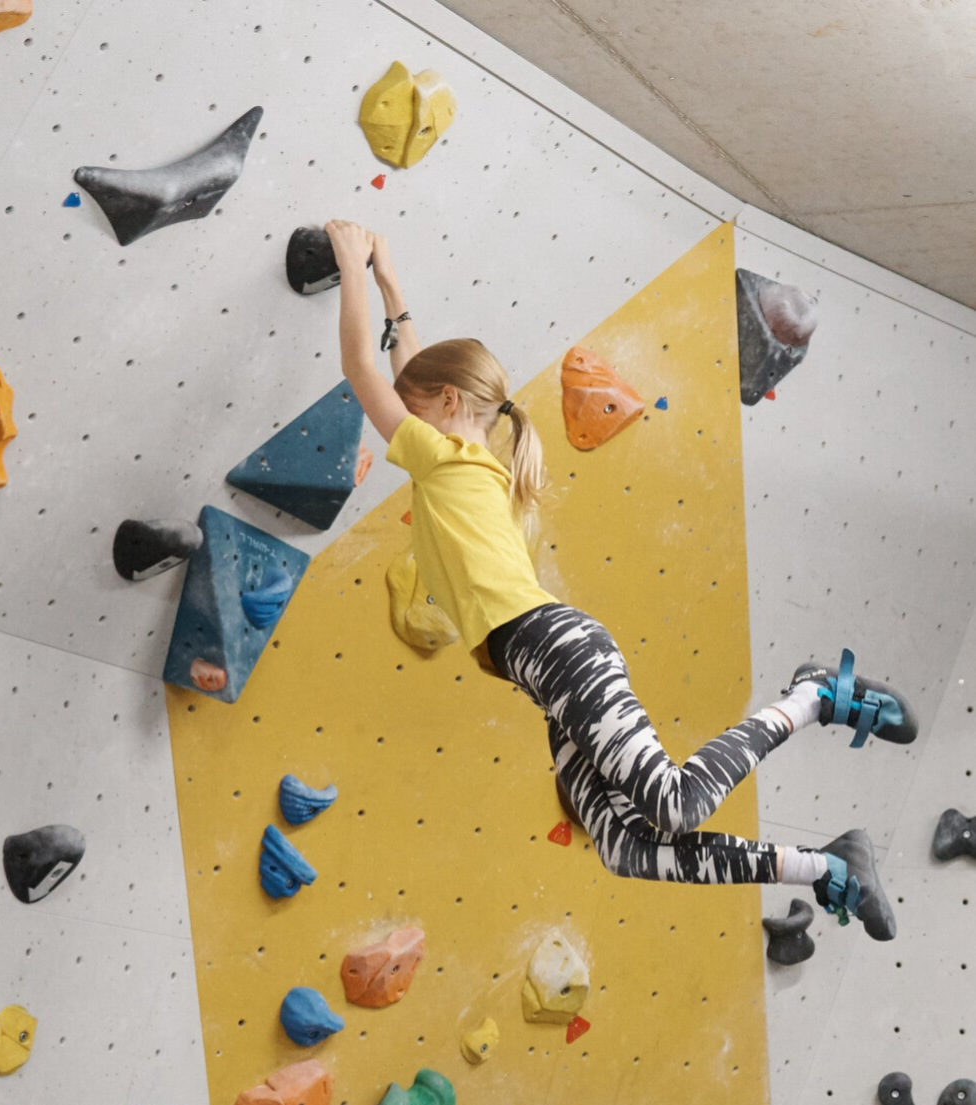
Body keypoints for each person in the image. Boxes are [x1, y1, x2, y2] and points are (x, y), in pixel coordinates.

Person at [323, 219, 918, 941]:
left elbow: (365, 371)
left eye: (409, 409)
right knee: (625, 847)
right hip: (546, 673)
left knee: (674, 806)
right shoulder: (460, 457)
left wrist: (352, 264)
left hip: (558, 653)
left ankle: (813, 697)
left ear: (448, 408)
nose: (396, 417)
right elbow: (410, 374)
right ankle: (829, 869)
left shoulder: (449, 459)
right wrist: (390, 285)